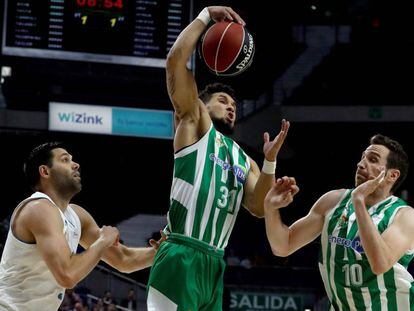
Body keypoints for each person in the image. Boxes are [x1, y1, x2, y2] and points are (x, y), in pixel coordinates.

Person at [146, 5, 290, 311]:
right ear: (202, 105)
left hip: (215, 262)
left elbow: (257, 207)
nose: (231, 107)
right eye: (222, 101)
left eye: (234, 104)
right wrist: (206, 16)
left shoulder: (244, 159)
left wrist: (269, 163)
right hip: (181, 253)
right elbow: (174, 62)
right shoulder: (194, 122)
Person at [0, 142, 164, 310]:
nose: (75, 164)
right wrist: (102, 241)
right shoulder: (38, 208)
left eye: (72, 159)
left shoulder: (77, 215)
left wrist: (160, 252)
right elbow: (67, 275)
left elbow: (124, 260)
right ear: (45, 171)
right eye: (65, 160)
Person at [264, 134, 414, 310]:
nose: (361, 164)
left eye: (372, 159)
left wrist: (358, 200)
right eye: (362, 158)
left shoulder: (405, 216)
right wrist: (270, 208)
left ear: (392, 175)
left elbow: (380, 264)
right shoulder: (333, 202)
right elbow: (283, 246)